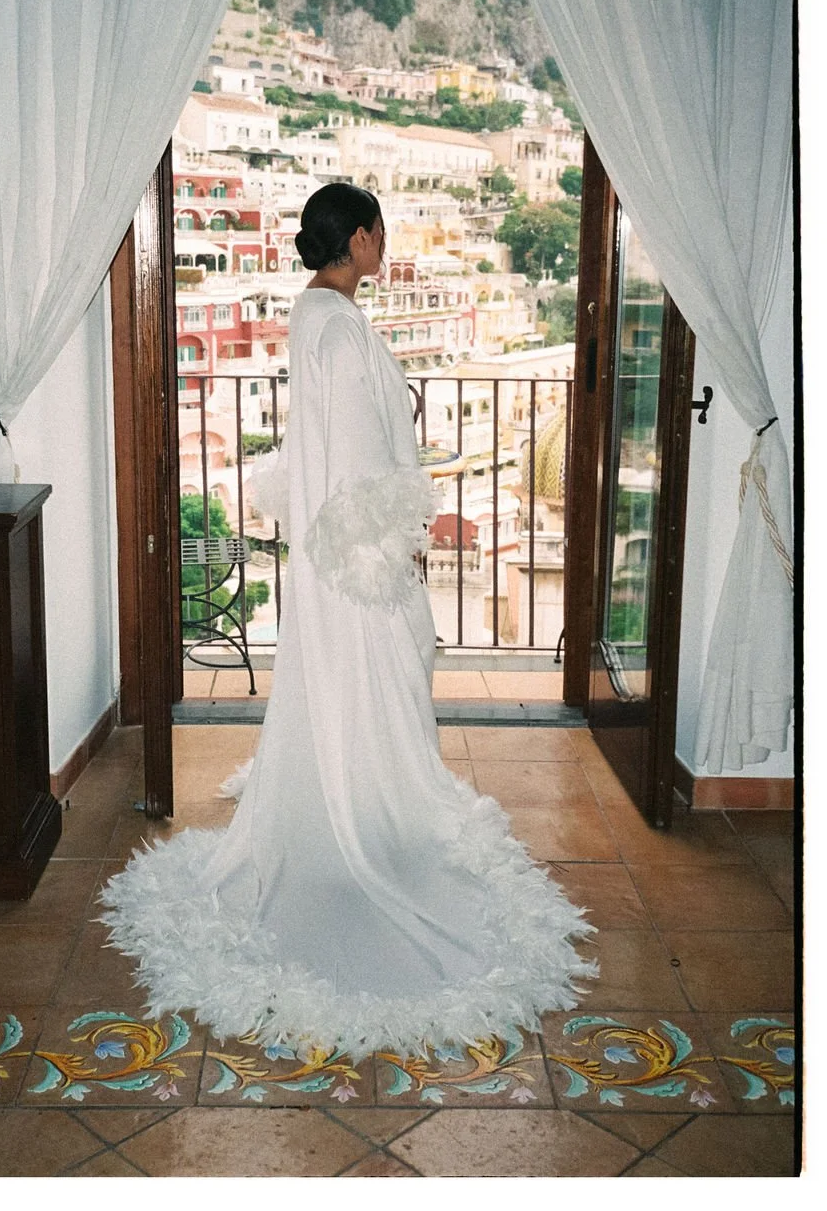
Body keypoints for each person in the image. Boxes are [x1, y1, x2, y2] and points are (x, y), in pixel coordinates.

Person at [100, 182, 596, 1061]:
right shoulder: (335, 323)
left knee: (353, 683)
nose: (386, 244)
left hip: (339, 550)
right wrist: (396, 542)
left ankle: (358, 796)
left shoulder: (317, 315)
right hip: (356, 554)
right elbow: (362, 447)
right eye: (380, 232)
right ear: (358, 239)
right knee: (376, 680)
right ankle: (361, 816)